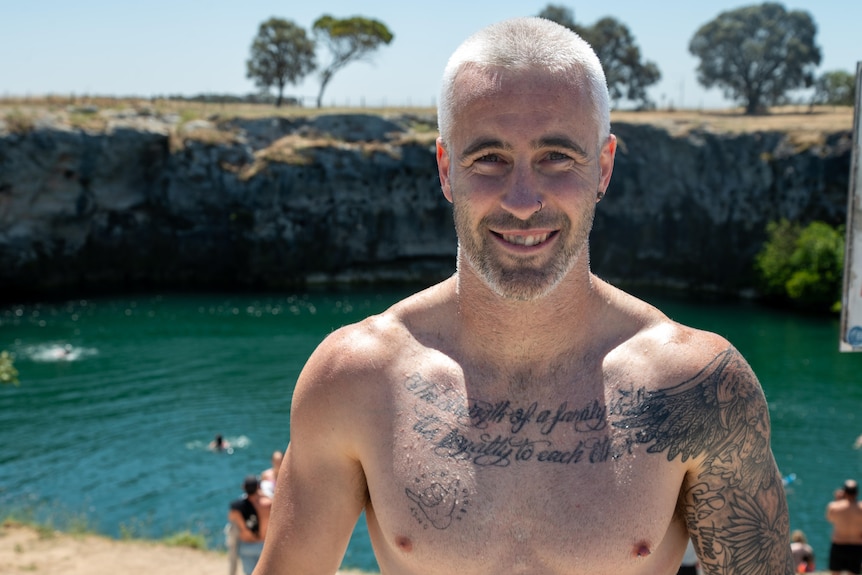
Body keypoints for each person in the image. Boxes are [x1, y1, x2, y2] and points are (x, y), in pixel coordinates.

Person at [256, 16, 793, 575]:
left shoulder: (697, 388)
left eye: (556, 157)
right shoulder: (357, 379)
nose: (520, 199)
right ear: (445, 169)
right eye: (488, 159)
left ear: (604, 167)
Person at [228, 475, 271, 575]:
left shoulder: (237, 507)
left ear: (244, 488)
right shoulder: (267, 505)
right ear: (258, 487)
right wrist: (263, 494)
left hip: (246, 545)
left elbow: (231, 518)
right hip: (262, 546)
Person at [827, 479, 862, 574]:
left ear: (844, 492)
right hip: (856, 546)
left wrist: (838, 500)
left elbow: (830, 518)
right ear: (857, 493)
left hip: (839, 544)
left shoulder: (834, 507)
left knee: (835, 573)